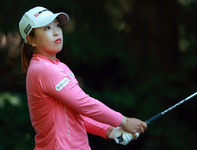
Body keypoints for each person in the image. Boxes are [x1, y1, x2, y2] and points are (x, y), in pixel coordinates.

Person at [19, 6, 147, 150]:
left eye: (57, 25)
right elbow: (84, 104)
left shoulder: (57, 66)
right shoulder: (44, 70)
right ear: (31, 40)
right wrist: (124, 121)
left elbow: (75, 113)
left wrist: (109, 130)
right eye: (47, 28)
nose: (56, 32)